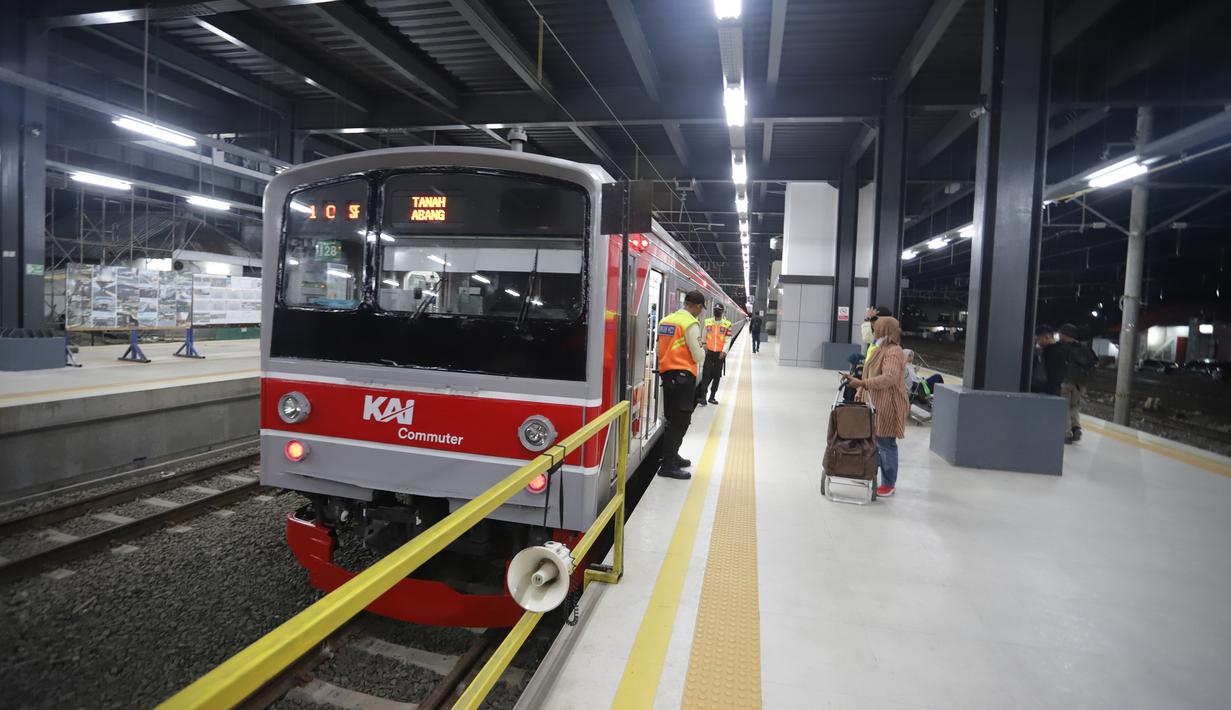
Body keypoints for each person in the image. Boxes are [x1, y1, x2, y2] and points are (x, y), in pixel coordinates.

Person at [844, 316, 908, 497]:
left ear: (885, 331)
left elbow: (889, 378)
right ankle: (871, 475)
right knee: (874, 441)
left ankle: (888, 483)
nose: (874, 331)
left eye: (876, 328)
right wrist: (860, 391)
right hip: (875, 401)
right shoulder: (881, 348)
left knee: (886, 443)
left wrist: (863, 384)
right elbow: (869, 371)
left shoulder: (894, 352)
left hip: (889, 404)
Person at [656, 290, 707, 479]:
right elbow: (699, 355)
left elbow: (659, 348)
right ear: (698, 307)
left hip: (667, 377)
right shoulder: (691, 324)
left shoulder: (665, 320)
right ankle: (668, 465)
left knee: (672, 418)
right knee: (681, 421)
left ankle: (672, 456)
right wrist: (702, 349)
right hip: (683, 378)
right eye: (701, 309)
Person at [1057, 323, 1097, 444]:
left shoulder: (1062, 347)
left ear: (1065, 335)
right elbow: (1095, 362)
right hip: (1081, 383)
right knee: (1074, 406)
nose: (1059, 336)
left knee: (1065, 407)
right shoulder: (1085, 348)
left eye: (1061, 334)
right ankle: (1076, 428)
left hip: (1066, 382)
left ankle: (1067, 433)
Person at [695, 303, 736, 406]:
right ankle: (703, 397)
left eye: (718, 310)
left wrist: (724, 351)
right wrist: (704, 345)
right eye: (715, 309)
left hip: (720, 354)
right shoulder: (707, 322)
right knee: (706, 374)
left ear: (722, 312)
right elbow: (703, 335)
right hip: (709, 353)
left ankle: (712, 397)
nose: (716, 311)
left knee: (716, 375)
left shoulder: (727, 324)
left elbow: (728, 339)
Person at [1030, 324, 1066, 397]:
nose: (1038, 343)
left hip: (1044, 389)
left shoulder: (1045, 352)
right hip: (1055, 389)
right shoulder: (1062, 350)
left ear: (1047, 337)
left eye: (1038, 339)